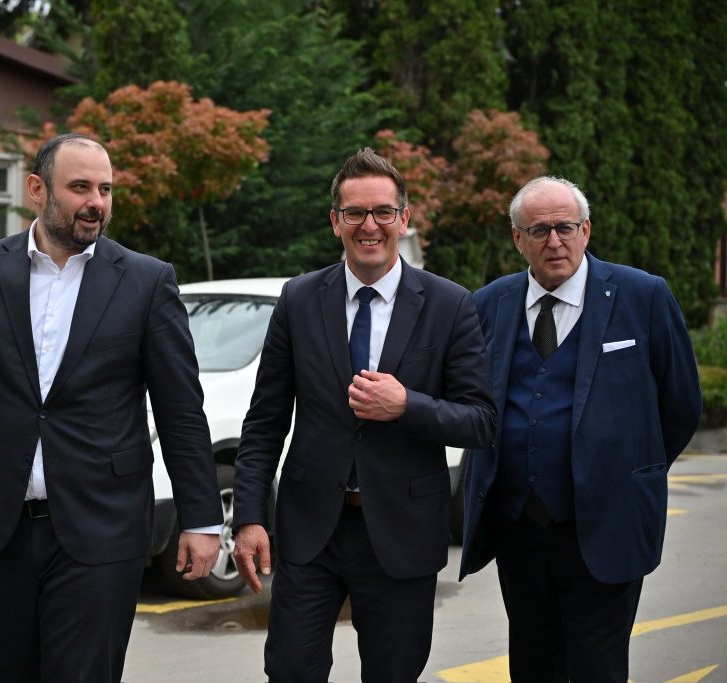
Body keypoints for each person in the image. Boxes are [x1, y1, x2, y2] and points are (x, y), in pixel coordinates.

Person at [0, 133, 224, 682]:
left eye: (105, 189)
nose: (96, 202)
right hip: (1, 527)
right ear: (37, 189)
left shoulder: (147, 281)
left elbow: (180, 410)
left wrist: (201, 518)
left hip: (103, 526)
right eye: (80, 187)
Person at [232, 147, 497, 682]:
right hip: (311, 529)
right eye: (354, 213)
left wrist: (407, 405)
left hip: (403, 531)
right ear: (336, 221)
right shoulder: (299, 299)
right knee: (289, 670)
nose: (369, 225)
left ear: (404, 217)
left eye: (382, 212)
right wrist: (249, 517)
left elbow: (481, 420)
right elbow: (264, 422)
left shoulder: (449, 304)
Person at [460, 176, 702, 681]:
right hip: (519, 529)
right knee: (533, 664)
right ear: (518, 238)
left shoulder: (643, 296)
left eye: (565, 227)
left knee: (599, 668)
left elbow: (680, 404)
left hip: (608, 523)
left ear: (586, 230)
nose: (554, 241)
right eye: (539, 230)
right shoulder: (490, 303)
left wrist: (629, 470)